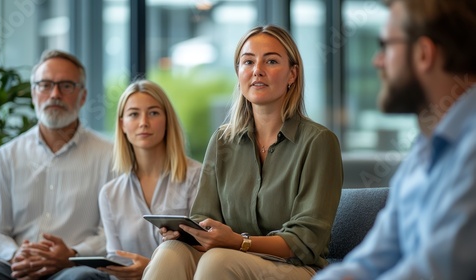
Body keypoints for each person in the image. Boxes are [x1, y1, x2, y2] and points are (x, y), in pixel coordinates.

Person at [142, 25, 343, 280]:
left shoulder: (319, 142)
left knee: (218, 260)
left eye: (271, 61)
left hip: (295, 268)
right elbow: (204, 215)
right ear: (239, 72)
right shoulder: (222, 141)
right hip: (227, 256)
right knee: (170, 252)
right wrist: (191, 232)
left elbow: (305, 240)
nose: (257, 70)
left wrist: (239, 242)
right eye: (248, 61)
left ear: (292, 74)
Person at [315, 0, 476, 279]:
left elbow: (433, 272)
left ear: (424, 54)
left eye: (386, 45)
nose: (377, 61)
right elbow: (370, 260)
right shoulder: (423, 152)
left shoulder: (470, 151)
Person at [0, 50, 114, 279]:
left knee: (82, 278)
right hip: (13, 267)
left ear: (83, 96)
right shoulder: (6, 155)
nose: (55, 94)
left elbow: (113, 231)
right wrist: (15, 255)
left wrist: (72, 254)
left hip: (72, 268)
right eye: (45, 85)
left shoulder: (110, 155)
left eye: (66, 86)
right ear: (33, 94)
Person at [61, 79, 202, 279]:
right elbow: (116, 259)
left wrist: (151, 268)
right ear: (122, 124)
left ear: (167, 120)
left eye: (153, 113)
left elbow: (205, 250)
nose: (143, 122)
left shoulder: (196, 177)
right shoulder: (110, 194)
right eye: (133, 114)